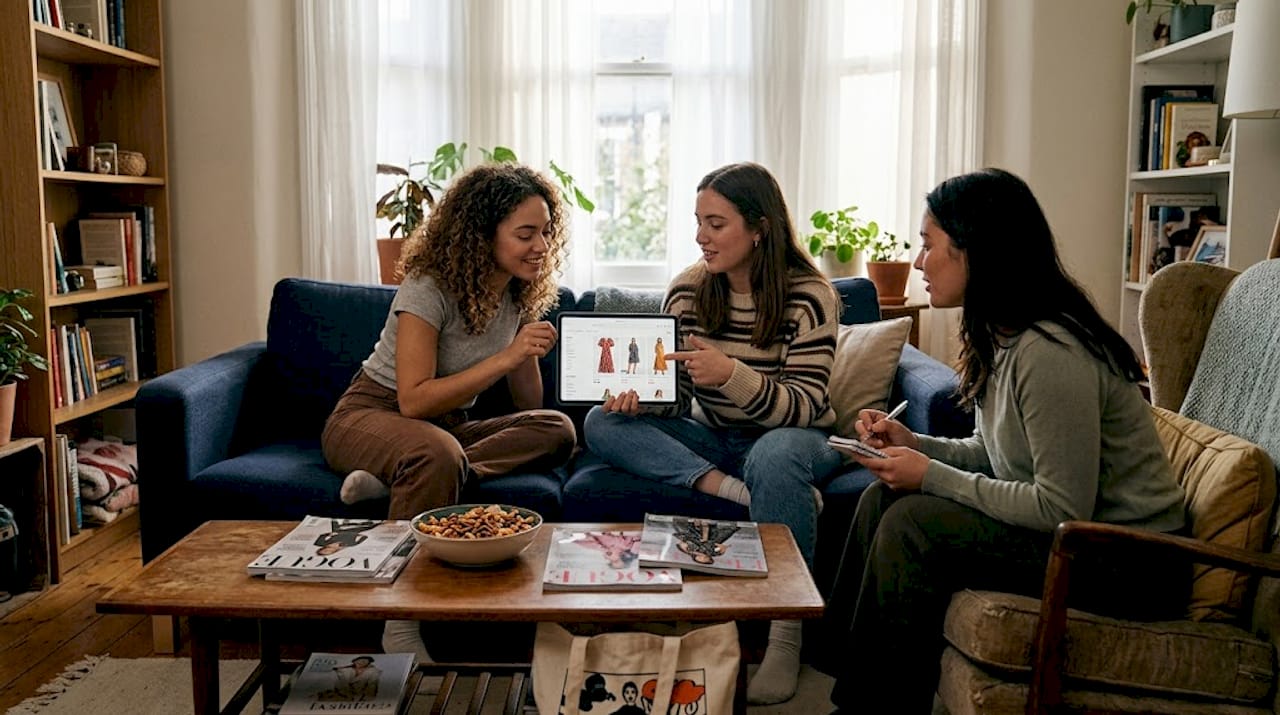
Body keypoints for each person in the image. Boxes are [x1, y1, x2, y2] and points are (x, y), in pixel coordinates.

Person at [822, 168, 1188, 714]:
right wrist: (916, 444)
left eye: (928, 245)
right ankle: (851, 690)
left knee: (914, 522)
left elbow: (1061, 506)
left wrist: (932, 477)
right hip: (1080, 541)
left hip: (1131, 562)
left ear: (976, 251)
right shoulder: (1001, 334)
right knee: (882, 497)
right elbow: (993, 455)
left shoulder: (1050, 351)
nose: (918, 262)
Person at [583, 161, 845, 705]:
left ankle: (785, 633)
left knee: (775, 455)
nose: (701, 236)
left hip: (798, 439)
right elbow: (679, 400)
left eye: (716, 223)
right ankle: (736, 491)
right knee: (600, 422)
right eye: (698, 221)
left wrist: (730, 374)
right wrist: (642, 401)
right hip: (721, 444)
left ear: (759, 228)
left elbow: (803, 406)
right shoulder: (686, 292)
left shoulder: (810, 296)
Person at [321, 162, 577, 663]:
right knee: (435, 451)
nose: (542, 246)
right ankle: (398, 620)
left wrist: (524, 354)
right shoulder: (428, 286)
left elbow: (529, 407)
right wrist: (503, 357)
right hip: (371, 413)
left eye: (546, 232)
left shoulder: (518, 292)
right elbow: (413, 400)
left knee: (557, 429)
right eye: (525, 234)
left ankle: (405, 477)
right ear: (483, 235)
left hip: (446, 430)